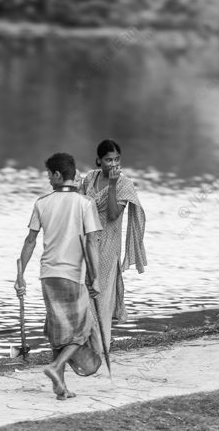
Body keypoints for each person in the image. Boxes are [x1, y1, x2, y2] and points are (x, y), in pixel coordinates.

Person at [15, 152, 103, 400]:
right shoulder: (85, 204)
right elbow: (92, 242)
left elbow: (30, 240)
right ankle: (55, 368)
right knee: (82, 329)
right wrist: (95, 277)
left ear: (56, 174)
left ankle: (60, 388)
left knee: (57, 331)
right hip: (72, 275)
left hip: (48, 275)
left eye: (48, 174)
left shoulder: (42, 203)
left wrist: (20, 273)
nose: (48, 179)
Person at [79, 139, 147, 350]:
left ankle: (100, 347)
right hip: (88, 241)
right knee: (83, 290)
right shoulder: (90, 178)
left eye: (117, 159)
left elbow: (112, 214)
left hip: (108, 243)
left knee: (102, 295)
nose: (114, 164)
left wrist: (113, 185)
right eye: (108, 160)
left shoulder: (124, 183)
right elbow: (80, 208)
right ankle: (83, 346)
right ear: (98, 160)